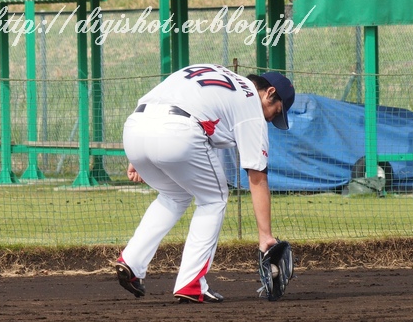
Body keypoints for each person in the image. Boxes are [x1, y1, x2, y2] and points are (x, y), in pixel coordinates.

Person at [115, 63, 295, 303]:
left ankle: (131, 262)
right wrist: (265, 236)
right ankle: (191, 283)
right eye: (276, 110)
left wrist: (139, 153)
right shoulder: (252, 101)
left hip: (136, 127)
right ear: (269, 92)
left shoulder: (214, 70)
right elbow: (258, 178)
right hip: (177, 131)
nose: (272, 118)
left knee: (174, 195)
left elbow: (165, 95)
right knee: (214, 198)